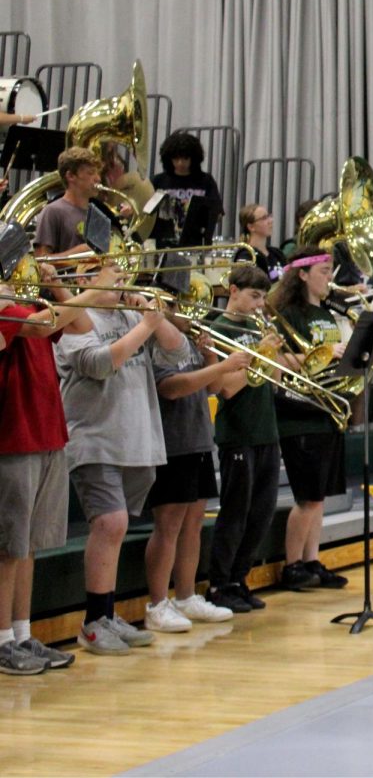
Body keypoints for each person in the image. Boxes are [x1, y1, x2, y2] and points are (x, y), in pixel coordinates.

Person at [0, 259, 125, 673]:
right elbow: (40, 326)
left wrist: (57, 287)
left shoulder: (32, 302)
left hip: (48, 434)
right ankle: (2, 641)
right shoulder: (6, 306)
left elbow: (77, 327)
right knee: (8, 547)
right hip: (13, 437)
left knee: (30, 545)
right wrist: (98, 286)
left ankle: (22, 633)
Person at [55, 279, 192, 654]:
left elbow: (179, 352)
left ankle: (108, 612)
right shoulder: (73, 317)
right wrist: (145, 326)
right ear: (85, 280)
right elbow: (98, 364)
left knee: (116, 528)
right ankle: (94, 622)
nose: (120, 285)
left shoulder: (130, 313)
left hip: (136, 440)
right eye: (112, 277)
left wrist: (152, 315)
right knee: (110, 523)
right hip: (94, 439)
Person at [141, 320, 249, 632]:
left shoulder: (189, 339)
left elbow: (214, 389)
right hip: (172, 442)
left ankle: (186, 596)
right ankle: (157, 604)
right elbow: (171, 388)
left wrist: (211, 358)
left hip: (199, 436)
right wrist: (223, 366)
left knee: (193, 524)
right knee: (169, 525)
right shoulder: (158, 342)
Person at [268, 248, 350, 591]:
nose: (328, 276)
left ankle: (312, 560)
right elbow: (276, 360)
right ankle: (292, 565)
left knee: (320, 496)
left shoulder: (327, 314)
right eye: (323, 270)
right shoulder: (287, 314)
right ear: (302, 274)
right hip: (298, 412)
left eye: (330, 270)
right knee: (308, 496)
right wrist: (321, 354)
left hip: (327, 409)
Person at [206, 265, 286, 613]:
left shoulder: (257, 328)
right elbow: (227, 388)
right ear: (233, 290)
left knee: (261, 514)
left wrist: (275, 354)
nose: (259, 305)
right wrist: (261, 356)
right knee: (235, 513)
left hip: (266, 429)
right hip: (238, 433)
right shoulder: (219, 329)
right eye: (254, 296)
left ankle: (240, 579)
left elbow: (277, 376)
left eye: (263, 298)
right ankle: (219, 584)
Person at [150, 131, 224, 243]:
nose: (180, 163)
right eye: (176, 159)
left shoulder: (206, 181)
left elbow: (218, 213)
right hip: (164, 241)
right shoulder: (158, 181)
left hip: (196, 241)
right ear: (169, 159)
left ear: (193, 159)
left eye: (185, 159)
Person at [34, 146, 102, 257]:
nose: (98, 178)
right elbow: (41, 262)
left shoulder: (96, 215)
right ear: (70, 176)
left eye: (98, 173)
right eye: (91, 173)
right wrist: (78, 254)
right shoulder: (52, 211)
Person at [233, 204, 286, 281]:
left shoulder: (277, 253)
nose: (271, 221)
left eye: (269, 216)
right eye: (264, 218)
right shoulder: (246, 256)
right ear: (251, 227)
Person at [100, 141, 154, 217]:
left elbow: (121, 191)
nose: (113, 142)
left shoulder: (116, 163)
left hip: (112, 210)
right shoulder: (95, 163)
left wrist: (124, 207)